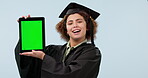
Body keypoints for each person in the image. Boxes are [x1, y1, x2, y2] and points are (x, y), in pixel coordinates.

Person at [15, 2, 101, 78]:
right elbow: (31, 66)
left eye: (79, 21)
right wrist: (26, 33)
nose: (75, 25)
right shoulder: (53, 50)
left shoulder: (92, 53)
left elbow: (72, 74)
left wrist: (44, 58)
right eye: (70, 23)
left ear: (87, 27)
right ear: (66, 30)